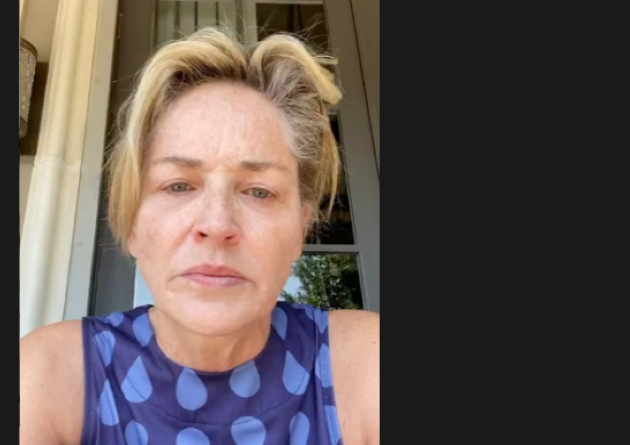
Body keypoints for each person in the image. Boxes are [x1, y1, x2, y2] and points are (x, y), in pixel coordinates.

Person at [20, 28, 379, 445]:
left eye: (259, 191)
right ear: (132, 223)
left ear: (300, 227)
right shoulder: (48, 376)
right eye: (178, 185)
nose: (218, 223)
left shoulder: (366, 365)